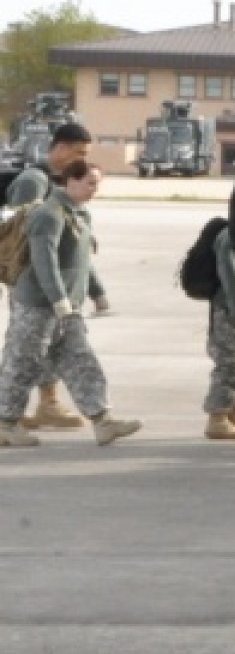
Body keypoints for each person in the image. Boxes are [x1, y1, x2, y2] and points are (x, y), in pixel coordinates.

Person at [0, 160, 139, 447]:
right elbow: (44, 263)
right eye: (90, 183)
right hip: (38, 306)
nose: (95, 189)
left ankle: (102, 421)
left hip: (66, 308)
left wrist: (97, 294)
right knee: (23, 363)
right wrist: (59, 300)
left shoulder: (79, 215)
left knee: (82, 362)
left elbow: (82, 260)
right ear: (70, 181)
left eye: (97, 183)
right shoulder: (48, 215)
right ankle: (5, 423)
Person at [6, 121, 105, 428]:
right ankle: (19, 410)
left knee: (50, 344)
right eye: (78, 152)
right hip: (31, 280)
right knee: (26, 348)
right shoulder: (34, 181)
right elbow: (20, 234)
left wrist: (94, 289)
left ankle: (48, 402)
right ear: (59, 148)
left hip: (53, 282)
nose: (81, 159)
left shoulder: (59, 182)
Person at [201, 210, 235, 440]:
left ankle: (232, 412)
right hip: (231, 310)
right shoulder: (233, 234)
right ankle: (218, 416)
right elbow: (229, 271)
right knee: (231, 363)